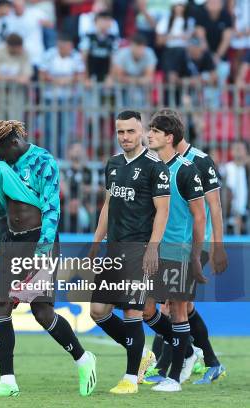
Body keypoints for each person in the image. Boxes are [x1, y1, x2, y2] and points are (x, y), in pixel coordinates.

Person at [0, 120, 97, 398]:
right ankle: (8, 381)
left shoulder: (43, 161)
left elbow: (53, 207)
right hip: (11, 240)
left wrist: (44, 251)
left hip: (39, 240)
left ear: (13, 143)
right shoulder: (3, 165)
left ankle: (82, 358)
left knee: (42, 312)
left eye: (0, 153)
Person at [143, 108, 228, 385]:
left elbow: (213, 208)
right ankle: (206, 360)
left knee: (174, 306)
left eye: (157, 129)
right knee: (179, 306)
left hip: (193, 242)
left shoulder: (199, 163)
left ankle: (170, 367)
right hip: (168, 242)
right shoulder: (158, 164)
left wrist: (217, 246)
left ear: (171, 134)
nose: (151, 134)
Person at [89, 110, 170, 394]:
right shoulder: (112, 164)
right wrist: (96, 243)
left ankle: (131, 378)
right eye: (120, 132)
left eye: (130, 131)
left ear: (141, 132)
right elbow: (108, 206)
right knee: (98, 311)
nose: (125, 137)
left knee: (133, 312)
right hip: (114, 249)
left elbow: (162, 211)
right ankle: (145, 355)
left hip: (138, 249)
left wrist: (153, 248)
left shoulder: (154, 165)